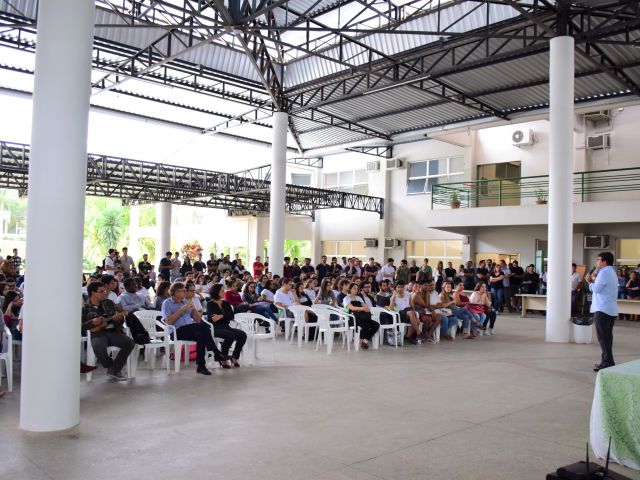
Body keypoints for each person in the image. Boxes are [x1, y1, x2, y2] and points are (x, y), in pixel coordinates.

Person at [162, 282, 226, 374]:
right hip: (176, 332)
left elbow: (198, 319)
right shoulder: (167, 303)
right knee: (203, 326)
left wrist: (193, 309)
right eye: (183, 291)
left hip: (191, 330)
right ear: (175, 292)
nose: (185, 292)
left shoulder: (186, 302)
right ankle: (215, 352)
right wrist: (181, 310)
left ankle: (201, 366)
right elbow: (168, 321)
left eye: (185, 290)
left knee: (201, 335)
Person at [82, 282, 134, 381]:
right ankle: (111, 367)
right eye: (101, 291)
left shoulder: (108, 303)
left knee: (129, 342)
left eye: (105, 291)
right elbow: (81, 326)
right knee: (98, 346)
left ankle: (115, 369)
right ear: (93, 293)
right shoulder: (85, 308)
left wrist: (118, 319)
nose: (104, 293)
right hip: (97, 334)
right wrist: (92, 322)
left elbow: (118, 319)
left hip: (113, 331)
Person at [586, 252, 618, 372]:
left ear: (604, 261)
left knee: (603, 338)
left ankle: (607, 362)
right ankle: (608, 360)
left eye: (598, 259)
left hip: (602, 309)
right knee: (607, 337)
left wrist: (589, 282)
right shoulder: (611, 272)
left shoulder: (604, 272)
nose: (597, 262)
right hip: (609, 309)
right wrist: (594, 280)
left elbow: (597, 289)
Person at [206, 284, 247, 367]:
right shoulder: (210, 304)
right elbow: (212, 319)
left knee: (242, 335)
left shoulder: (226, 303)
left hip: (226, 327)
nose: (224, 292)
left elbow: (231, 316)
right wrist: (225, 316)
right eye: (222, 290)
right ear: (216, 292)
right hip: (215, 328)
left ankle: (235, 356)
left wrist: (221, 316)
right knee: (230, 335)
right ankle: (223, 357)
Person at [342, 282, 379, 349]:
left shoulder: (358, 298)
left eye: (357, 289)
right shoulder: (346, 298)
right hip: (352, 319)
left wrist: (366, 308)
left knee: (376, 325)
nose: (356, 290)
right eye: (354, 288)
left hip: (362, 317)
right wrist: (362, 308)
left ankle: (365, 340)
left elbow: (365, 306)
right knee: (366, 325)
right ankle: (361, 340)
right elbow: (352, 308)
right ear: (350, 289)